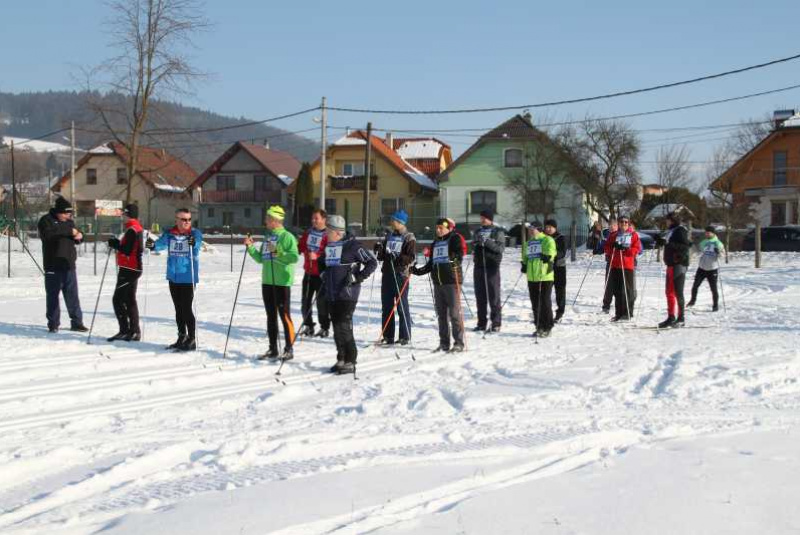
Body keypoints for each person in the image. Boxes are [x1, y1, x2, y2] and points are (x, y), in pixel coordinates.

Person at [318, 215, 378, 375]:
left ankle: (351, 360)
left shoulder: (353, 246)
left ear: (337, 232)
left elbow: (372, 262)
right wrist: (322, 273)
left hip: (347, 293)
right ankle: (341, 358)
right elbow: (321, 262)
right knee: (336, 327)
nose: (326, 234)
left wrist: (358, 277)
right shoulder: (330, 246)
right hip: (332, 292)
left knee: (343, 326)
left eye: (328, 231)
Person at [244, 205, 299, 360]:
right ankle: (273, 348)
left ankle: (289, 349)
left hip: (282, 282)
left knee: (285, 316)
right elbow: (261, 258)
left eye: (268, 218)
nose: (265, 221)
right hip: (267, 281)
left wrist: (279, 253)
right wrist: (250, 247)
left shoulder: (287, 237)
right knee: (271, 316)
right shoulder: (269, 237)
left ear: (275, 220)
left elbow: (294, 257)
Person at [145, 208, 202, 351]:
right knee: (178, 309)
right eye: (183, 219)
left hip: (187, 277)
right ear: (176, 220)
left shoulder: (194, 233)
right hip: (173, 277)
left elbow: (197, 244)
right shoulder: (170, 234)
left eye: (189, 219)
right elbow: (160, 244)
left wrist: (193, 242)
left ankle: (192, 339)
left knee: (186, 308)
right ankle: (181, 336)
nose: (187, 222)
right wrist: (152, 245)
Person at [411, 218, 466, 352]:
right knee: (441, 315)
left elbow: (459, 254)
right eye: (437, 228)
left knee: (454, 313)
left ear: (449, 228)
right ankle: (444, 343)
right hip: (438, 282)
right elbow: (431, 263)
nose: (438, 230)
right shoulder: (435, 243)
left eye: (441, 227)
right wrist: (418, 271)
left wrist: (455, 259)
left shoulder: (454, 238)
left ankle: (458, 343)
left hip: (451, 281)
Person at [37, 197, 87, 333]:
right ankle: (53, 324)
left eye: (69, 214)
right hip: (52, 265)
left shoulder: (70, 222)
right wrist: (69, 231)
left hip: (69, 265)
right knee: (52, 296)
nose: (68, 216)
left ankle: (77, 322)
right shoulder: (46, 221)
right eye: (65, 213)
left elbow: (78, 235)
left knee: (72, 296)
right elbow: (49, 234)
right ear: (58, 212)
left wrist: (80, 236)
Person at [374, 209, 416, 345]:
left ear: (400, 222)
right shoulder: (389, 236)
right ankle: (388, 336)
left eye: (394, 220)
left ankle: (405, 336)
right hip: (387, 274)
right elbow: (382, 256)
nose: (392, 222)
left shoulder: (409, 237)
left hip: (400, 275)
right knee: (386, 306)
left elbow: (410, 257)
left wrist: (398, 258)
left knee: (401, 306)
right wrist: (379, 249)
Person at [106, 204, 144, 342]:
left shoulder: (132, 229)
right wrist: (117, 243)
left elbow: (128, 249)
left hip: (130, 269)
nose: (122, 216)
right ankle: (133, 331)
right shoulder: (135, 227)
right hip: (131, 268)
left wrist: (115, 243)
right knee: (129, 299)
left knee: (118, 299)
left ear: (127, 214)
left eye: (124, 214)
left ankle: (125, 330)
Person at [655, 211, 692, 328]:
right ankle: (671, 317)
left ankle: (681, 318)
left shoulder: (680, 230)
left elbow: (686, 246)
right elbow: (669, 243)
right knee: (669, 292)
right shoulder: (672, 230)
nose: (666, 222)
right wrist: (661, 241)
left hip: (679, 264)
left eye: (668, 220)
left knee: (677, 292)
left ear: (673, 220)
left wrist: (668, 243)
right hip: (670, 264)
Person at [297, 209, 330, 337]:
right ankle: (308, 325)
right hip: (309, 272)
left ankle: (324, 327)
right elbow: (300, 246)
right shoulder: (309, 233)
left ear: (324, 219)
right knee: (305, 301)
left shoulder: (328, 234)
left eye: (316, 218)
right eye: (312, 218)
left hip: (322, 274)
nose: (314, 221)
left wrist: (318, 255)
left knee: (322, 303)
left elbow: (332, 251)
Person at [471, 209, 505, 332]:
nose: (482, 220)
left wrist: (487, 242)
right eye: (481, 218)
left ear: (490, 219)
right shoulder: (478, 231)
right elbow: (474, 245)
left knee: (494, 295)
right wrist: (476, 244)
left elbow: (500, 248)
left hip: (492, 266)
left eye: (484, 218)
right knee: (480, 296)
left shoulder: (497, 231)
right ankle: (481, 323)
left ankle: (496, 323)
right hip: (479, 266)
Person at [522, 221, 557, 337]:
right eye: (529, 228)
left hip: (544, 276)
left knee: (544, 302)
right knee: (535, 303)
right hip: (532, 276)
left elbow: (551, 252)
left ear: (539, 229)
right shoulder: (529, 243)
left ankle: (548, 326)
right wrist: (524, 264)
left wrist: (547, 256)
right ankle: (539, 326)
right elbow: (525, 256)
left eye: (533, 228)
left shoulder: (547, 240)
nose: (531, 230)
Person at [603, 216, 641, 321]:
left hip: (627, 266)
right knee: (617, 291)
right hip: (616, 265)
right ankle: (618, 313)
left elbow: (636, 249)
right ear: (618, 224)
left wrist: (626, 249)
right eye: (621, 222)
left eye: (625, 222)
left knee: (628, 290)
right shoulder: (614, 235)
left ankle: (628, 312)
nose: (623, 224)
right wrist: (613, 247)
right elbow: (607, 248)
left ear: (628, 224)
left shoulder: (633, 235)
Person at [688, 226, 725, 312]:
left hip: (712, 269)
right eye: (706, 232)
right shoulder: (704, 242)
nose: (707, 234)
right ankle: (692, 301)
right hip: (702, 268)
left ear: (713, 233)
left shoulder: (718, 243)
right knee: (695, 285)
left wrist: (718, 252)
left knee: (713, 288)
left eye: (709, 232)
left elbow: (723, 256)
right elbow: (697, 250)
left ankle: (715, 305)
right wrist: (691, 245)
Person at [543, 219, 567, 323]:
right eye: (546, 227)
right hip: (546, 268)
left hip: (559, 267)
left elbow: (562, 252)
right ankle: (545, 313)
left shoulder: (561, 238)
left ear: (555, 228)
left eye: (550, 227)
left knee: (560, 291)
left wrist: (551, 255)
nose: (548, 229)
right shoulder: (543, 238)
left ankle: (560, 313)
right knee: (545, 292)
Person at [601, 218, 619, 313]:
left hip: (618, 263)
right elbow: (605, 247)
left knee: (618, 285)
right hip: (610, 262)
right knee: (608, 284)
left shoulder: (619, 235)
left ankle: (619, 305)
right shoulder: (608, 235)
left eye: (613, 226)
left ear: (617, 226)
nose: (611, 228)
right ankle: (606, 305)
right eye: (610, 226)